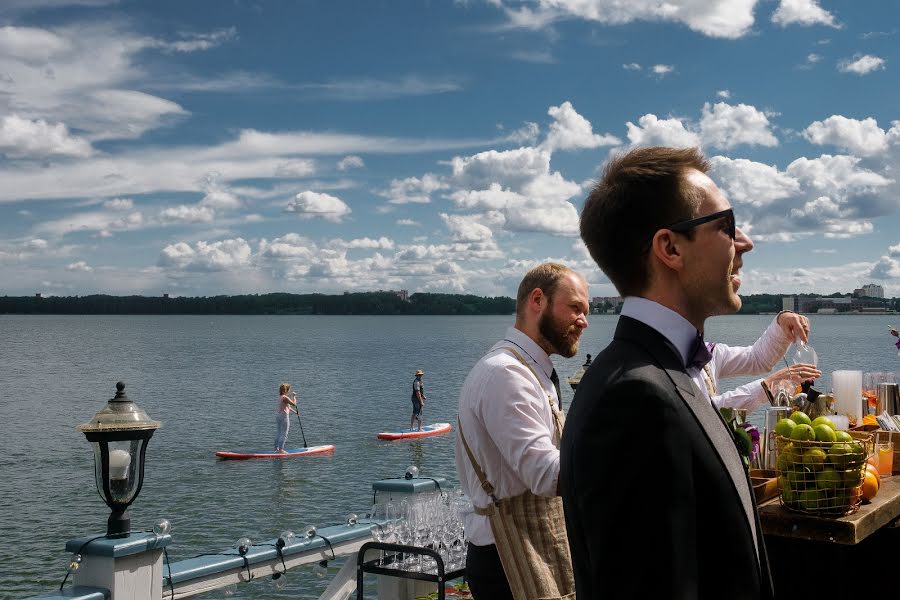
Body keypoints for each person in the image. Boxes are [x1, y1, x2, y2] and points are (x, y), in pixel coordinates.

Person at [561, 147, 774, 598]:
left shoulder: (662, 371)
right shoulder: (635, 399)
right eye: (726, 227)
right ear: (670, 248)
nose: (745, 243)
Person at [455, 262, 588, 600]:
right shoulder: (507, 375)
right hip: (508, 556)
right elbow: (546, 475)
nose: (583, 321)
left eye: (586, 311)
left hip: (528, 543)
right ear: (537, 300)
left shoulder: (531, 371)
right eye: (575, 308)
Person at [707, 311, 821, 410]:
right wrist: (767, 386)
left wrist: (782, 320)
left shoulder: (708, 351)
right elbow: (703, 413)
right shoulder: (698, 353)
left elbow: (756, 358)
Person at [275, 383, 297, 453]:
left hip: (278, 416)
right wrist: (294, 396)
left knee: (279, 432)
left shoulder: (280, 397)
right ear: (286, 390)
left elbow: (288, 407)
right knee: (284, 433)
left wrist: (295, 413)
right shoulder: (285, 397)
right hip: (284, 416)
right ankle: (281, 449)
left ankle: (276, 448)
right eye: (289, 390)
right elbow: (294, 404)